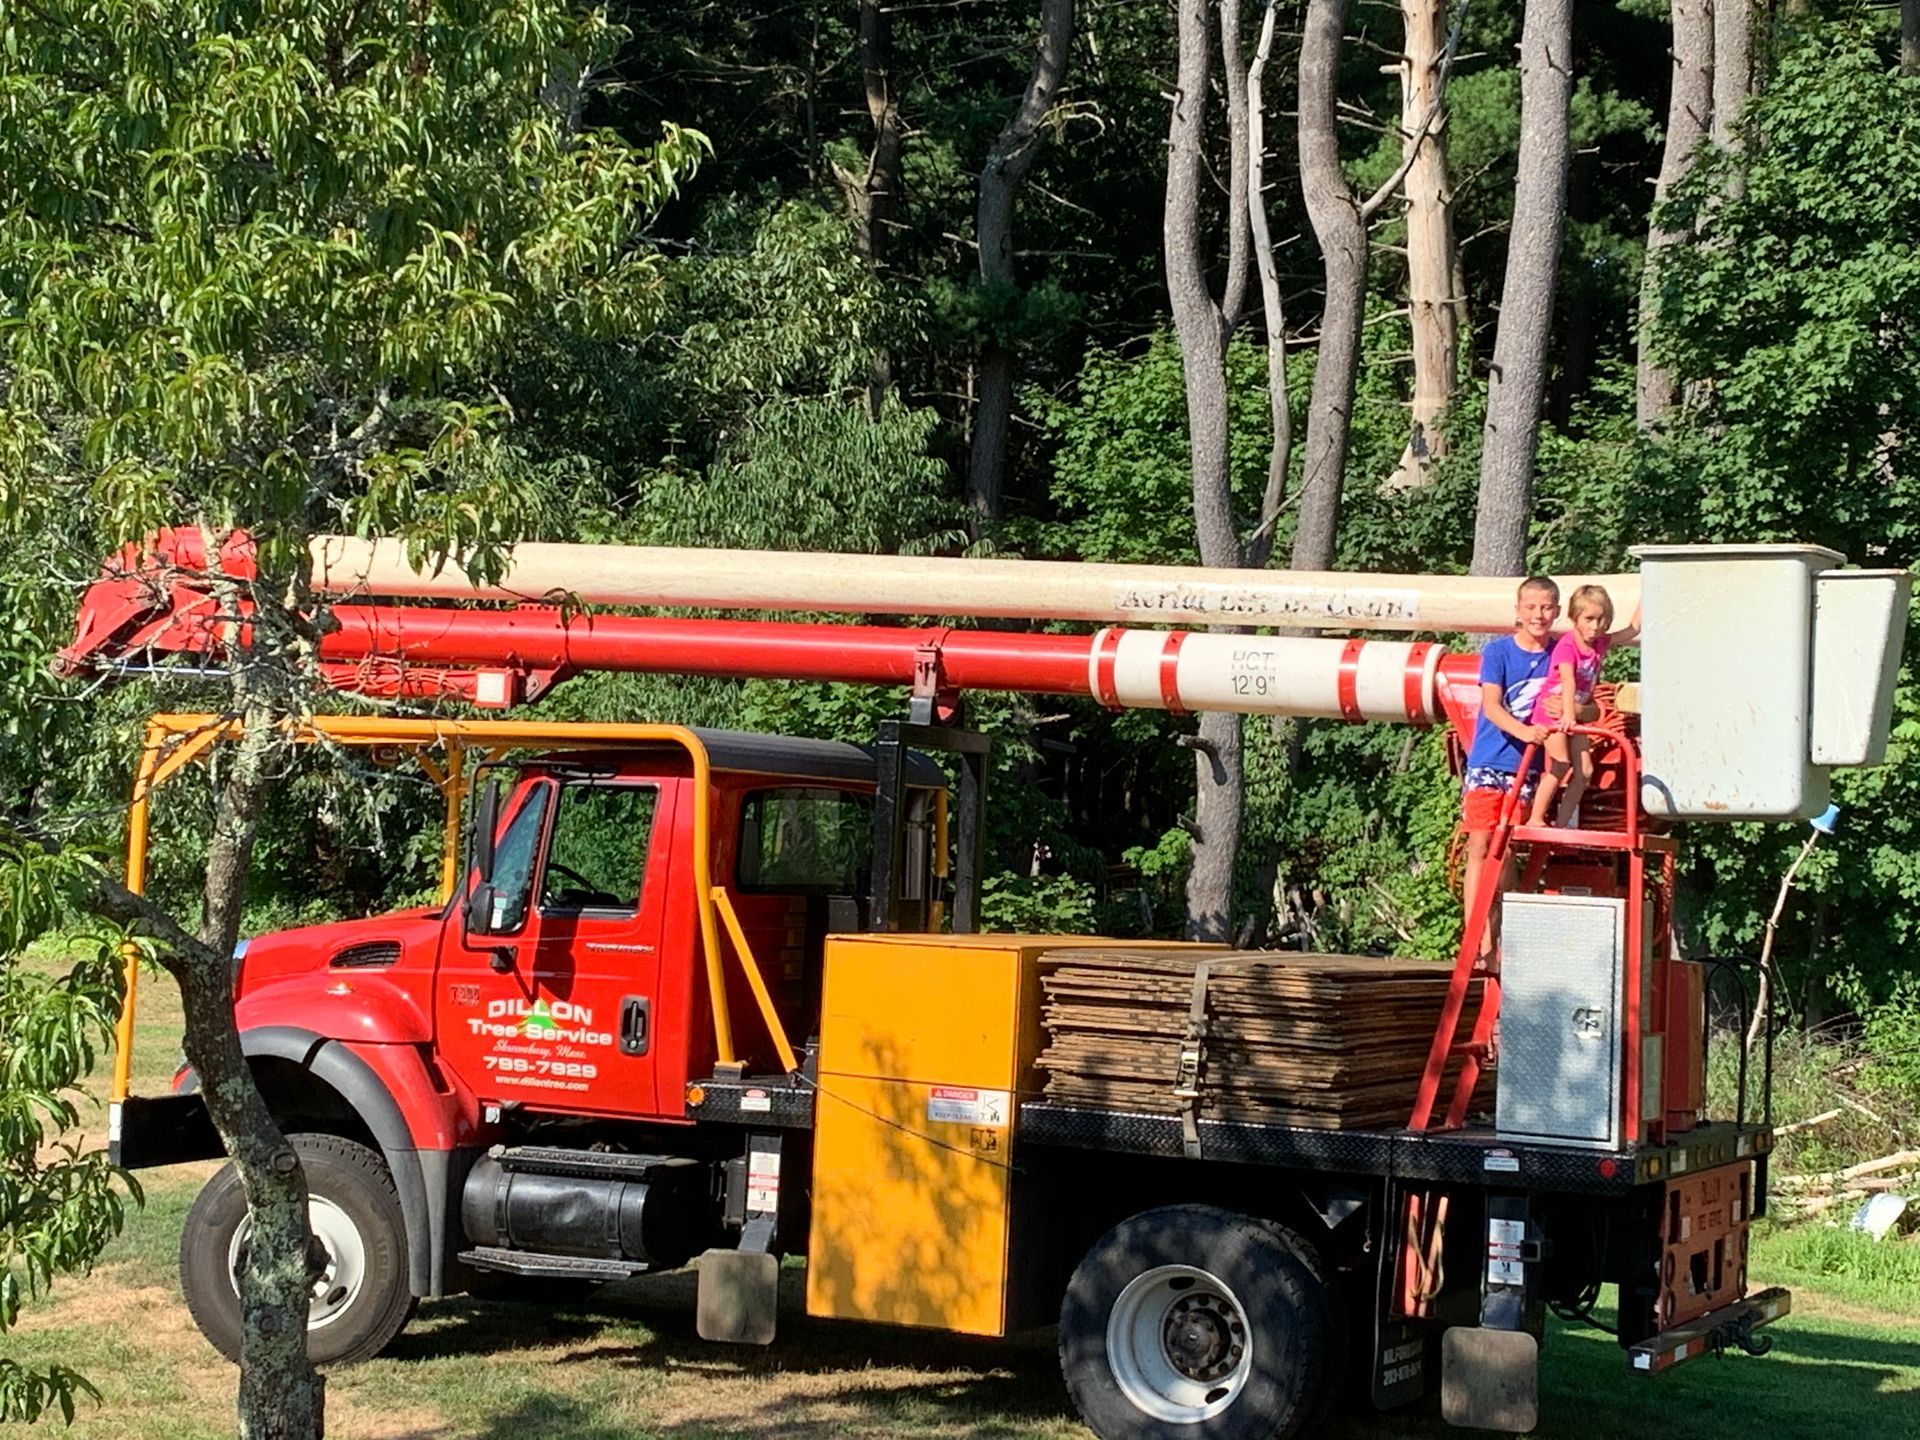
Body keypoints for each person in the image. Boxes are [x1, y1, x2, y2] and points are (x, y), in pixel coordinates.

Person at [1459, 576, 1558, 959]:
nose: (1538, 615)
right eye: (1531, 607)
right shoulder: (1499, 652)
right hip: (1490, 761)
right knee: (1480, 844)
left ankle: (1500, 936)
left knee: (1507, 852)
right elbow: (1493, 706)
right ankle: (1476, 935)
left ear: (1557, 611)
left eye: (1546, 607)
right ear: (1518, 611)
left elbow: (1580, 695)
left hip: (1527, 769)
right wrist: (1526, 732)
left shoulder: (1559, 656)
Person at [1526, 584, 1639, 827]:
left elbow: (1631, 630)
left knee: (1585, 771)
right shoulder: (1568, 646)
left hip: (1573, 714)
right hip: (1553, 713)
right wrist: (1568, 715)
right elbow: (1567, 681)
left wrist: (1648, 595)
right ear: (1575, 617)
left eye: (1601, 620)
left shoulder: (1599, 643)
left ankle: (1563, 824)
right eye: (1589, 619)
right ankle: (1535, 818)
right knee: (1560, 763)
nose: (1595, 627)